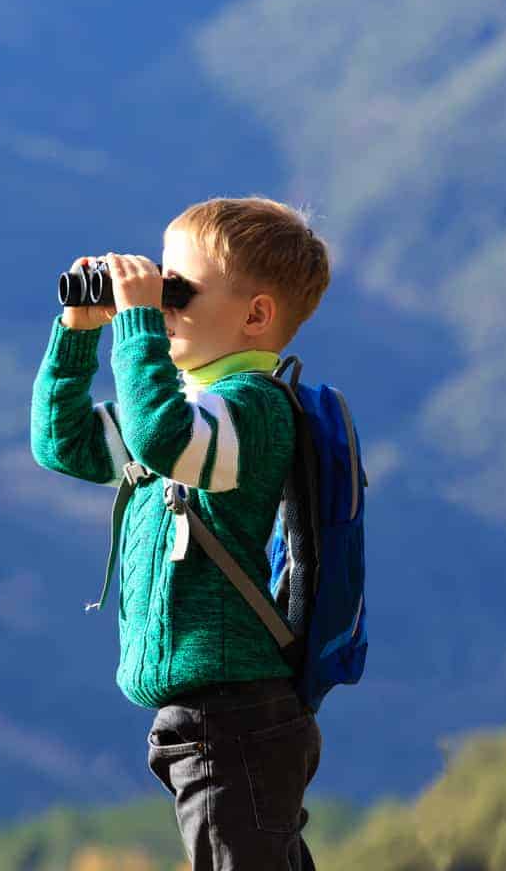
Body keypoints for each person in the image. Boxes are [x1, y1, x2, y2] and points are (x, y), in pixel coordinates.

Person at [30, 196, 333, 871]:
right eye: (161, 285)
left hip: (236, 711)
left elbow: (163, 440)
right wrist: (80, 330)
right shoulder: (192, 405)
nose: (162, 302)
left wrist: (136, 326)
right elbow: (64, 443)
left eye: (179, 291)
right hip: (212, 716)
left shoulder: (253, 411)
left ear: (256, 314)